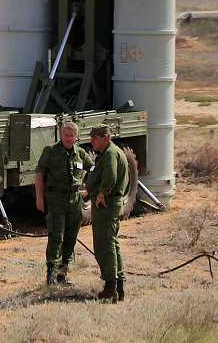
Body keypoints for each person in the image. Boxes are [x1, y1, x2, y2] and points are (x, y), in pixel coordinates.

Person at [34, 121, 88, 286]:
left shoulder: (80, 153)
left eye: (72, 136)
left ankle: (63, 274)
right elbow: (39, 173)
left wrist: (89, 189)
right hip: (56, 199)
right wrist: (39, 198)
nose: (68, 138)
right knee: (56, 237)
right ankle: (51, 275)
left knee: (71, 237)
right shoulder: (50, 151)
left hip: (75, 201)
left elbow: (94, 169)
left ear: (76, 137)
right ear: (61, 135)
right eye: (66, 135)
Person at [85, 124, 129, 303]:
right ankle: (118, 286)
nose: (92, 142)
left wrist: (101, 194)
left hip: (107, 205)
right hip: (110, 204)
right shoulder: (110, 152)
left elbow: (111, 176)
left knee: (105, 244)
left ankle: (111, 287)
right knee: (112, 242)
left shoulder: (111, 153)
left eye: (95, 138)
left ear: (105, 138)